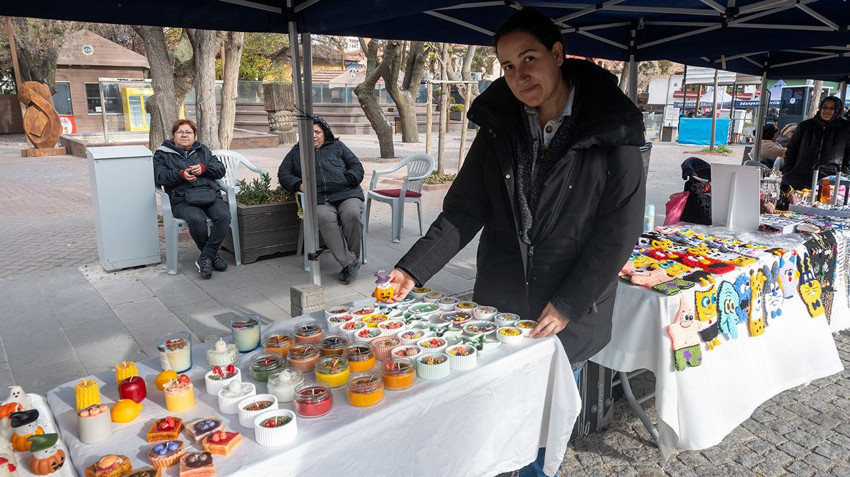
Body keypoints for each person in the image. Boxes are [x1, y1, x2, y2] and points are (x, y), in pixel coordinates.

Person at [385, 8, 645, 476]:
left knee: (543, 431)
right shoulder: (499, 129)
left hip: (566, 314)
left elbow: (618, 233)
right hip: (500, 306)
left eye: (529, 58)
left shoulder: (612, 132)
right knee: (498, 423)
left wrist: (568, 303)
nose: (519, 74)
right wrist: (413, 269)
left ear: (558, 54)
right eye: (507, 65)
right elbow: (464, 209)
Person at [278, 117, 365, 284]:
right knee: (325, 218)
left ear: (325, 133)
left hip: (347, 194)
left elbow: (356, 166)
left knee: (352, 214)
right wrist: (299, 185)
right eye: (309, 133)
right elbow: (284, 174)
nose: (314, 136)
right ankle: (349, 262)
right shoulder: (297, 152)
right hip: (320, 198)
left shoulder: (338, 146)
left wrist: (348, 180)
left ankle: (351, 261)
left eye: (317, 132)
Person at [153, 119, 230, 279]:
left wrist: (204, 168)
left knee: (223, 216)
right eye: (180, 132)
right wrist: (180, 175)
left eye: (188, 132)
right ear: (173, 136)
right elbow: (159, 176)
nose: (184, 135)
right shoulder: (162, 154)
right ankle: (211, 257)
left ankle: (206, 257)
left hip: (209, 194)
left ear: (194, 136)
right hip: (182, 199)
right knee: (196, 219)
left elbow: (220, 169)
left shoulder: (203, 150)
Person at [781, 96, 850, 191]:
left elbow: (848, 155)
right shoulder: (805, 126)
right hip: (799, 178)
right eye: (824, 107)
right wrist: (788, 170)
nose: (827, 111)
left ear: (837, 110)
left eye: (832, 108)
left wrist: (843, 174)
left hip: (829, 180)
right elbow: (792, 149)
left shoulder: (846, 128)